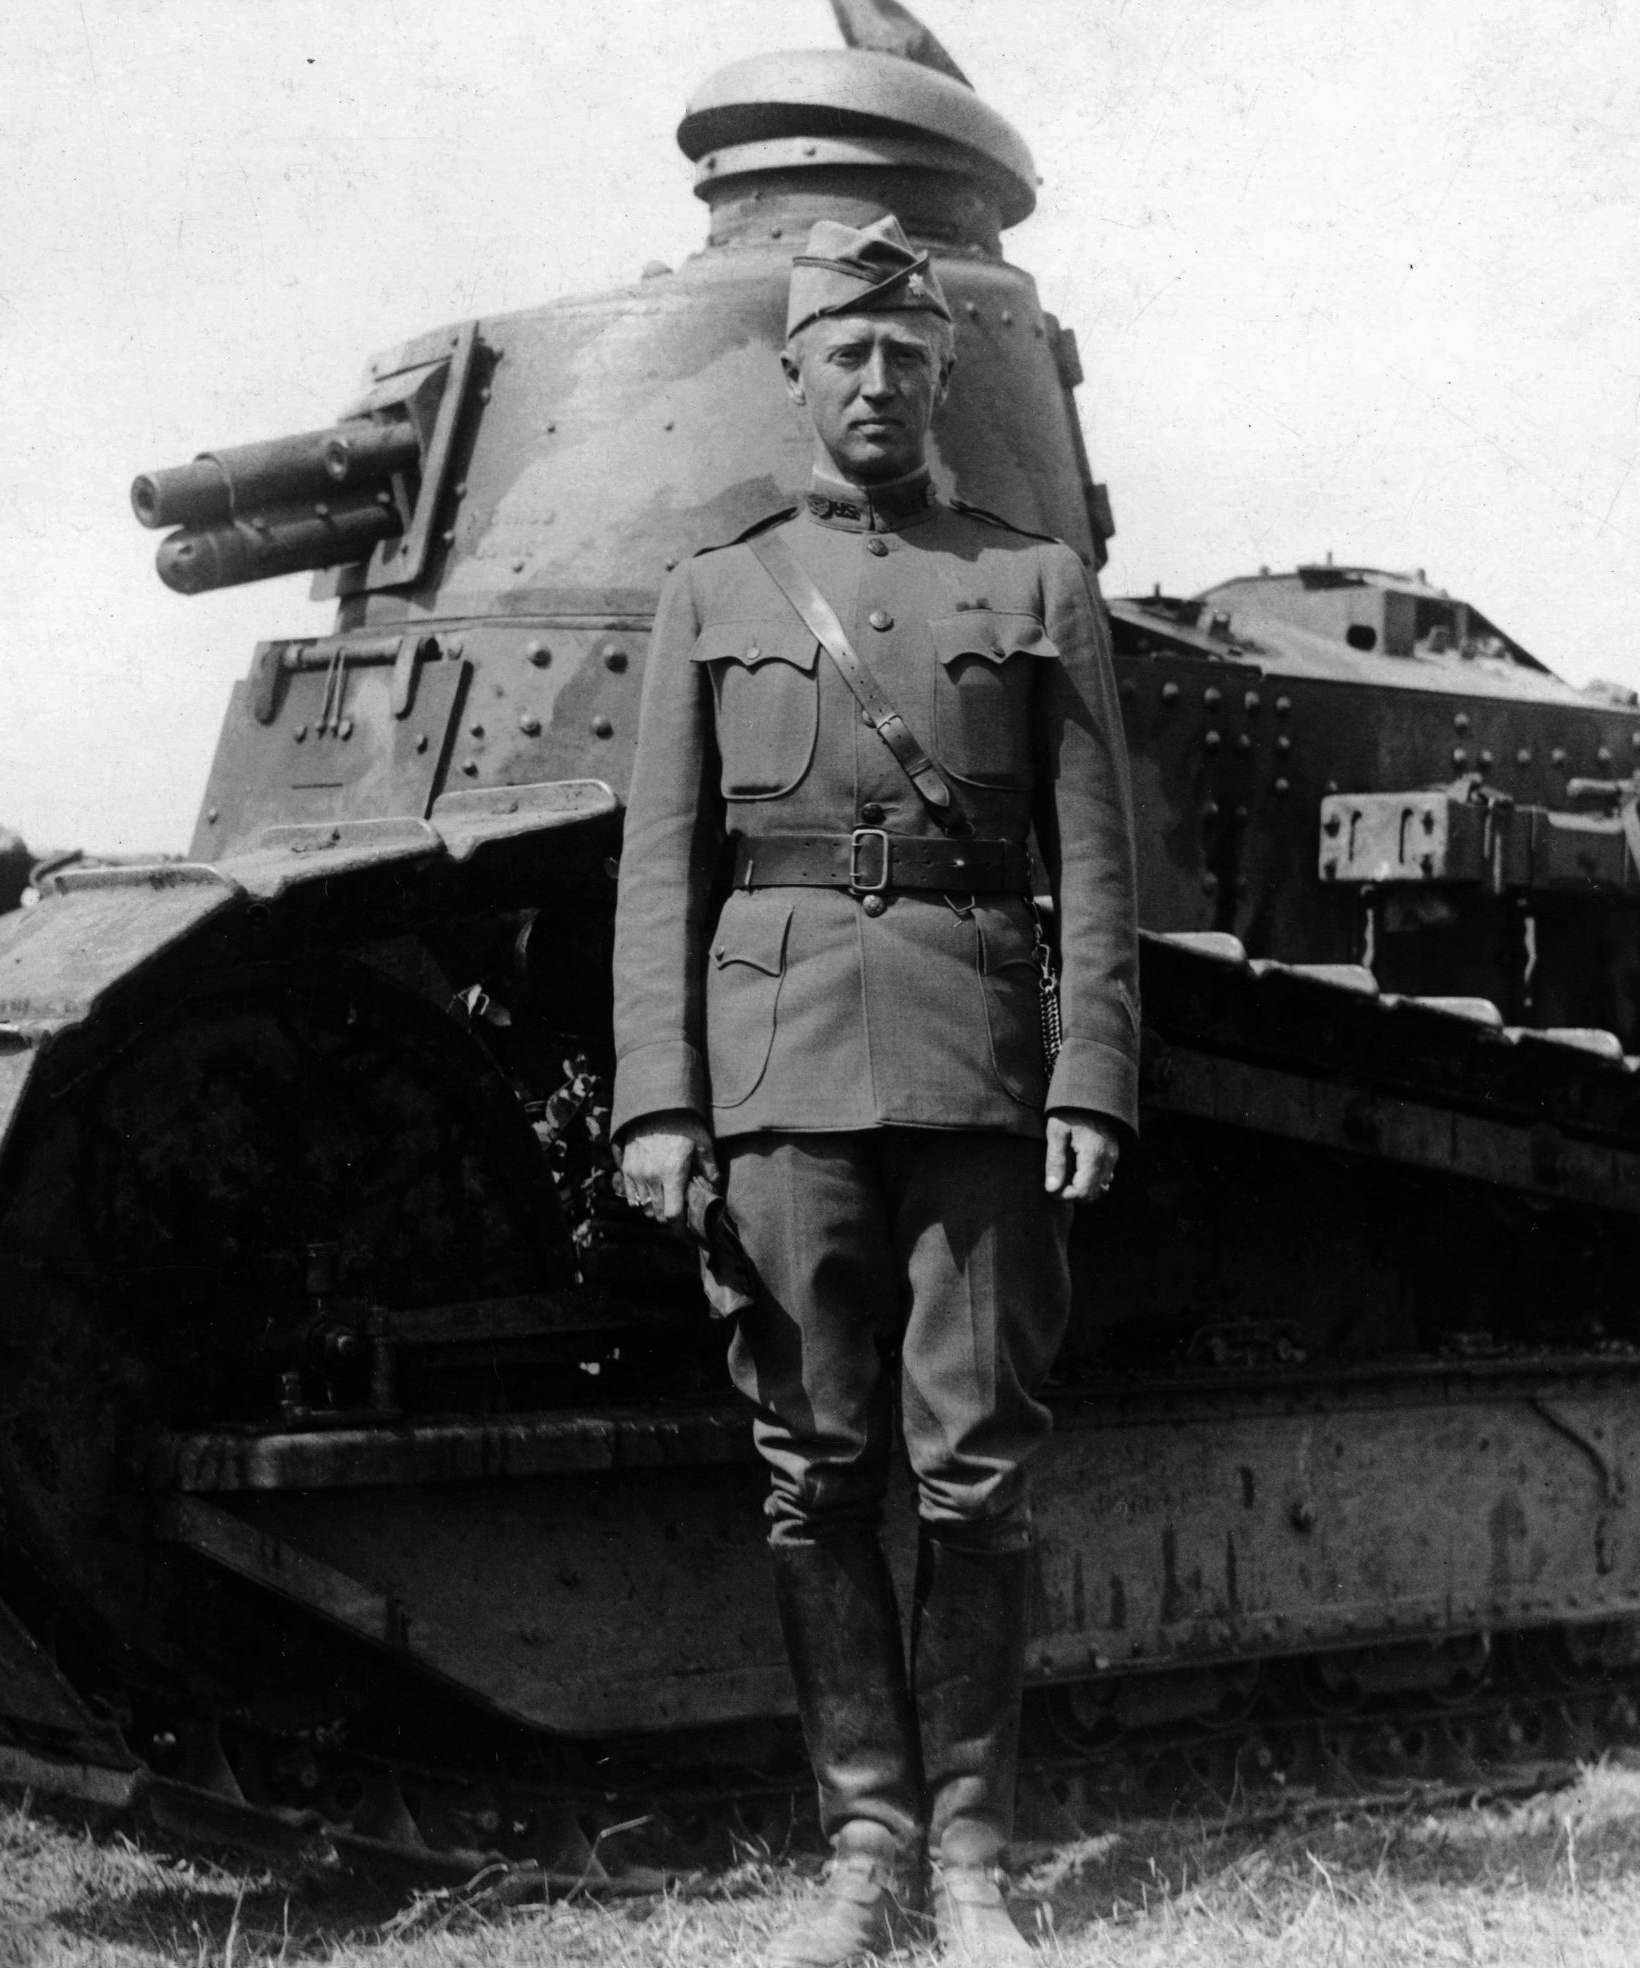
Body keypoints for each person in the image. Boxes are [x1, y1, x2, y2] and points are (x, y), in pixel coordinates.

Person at [610, 213, 1139, 1966]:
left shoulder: (1034, 579)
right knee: (812, 1470)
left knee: (975, 1474)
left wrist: (1089, 1074)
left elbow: (1096, 863)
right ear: (797, 371)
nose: (878, 382)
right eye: (847, 353)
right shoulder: (720, 588)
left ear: (943, 377)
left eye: (907, 358)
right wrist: (662, 1106)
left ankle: (975, 1859)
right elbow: (662, 877)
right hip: (776, 1084)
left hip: (978, 1065)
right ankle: (865, 1851)